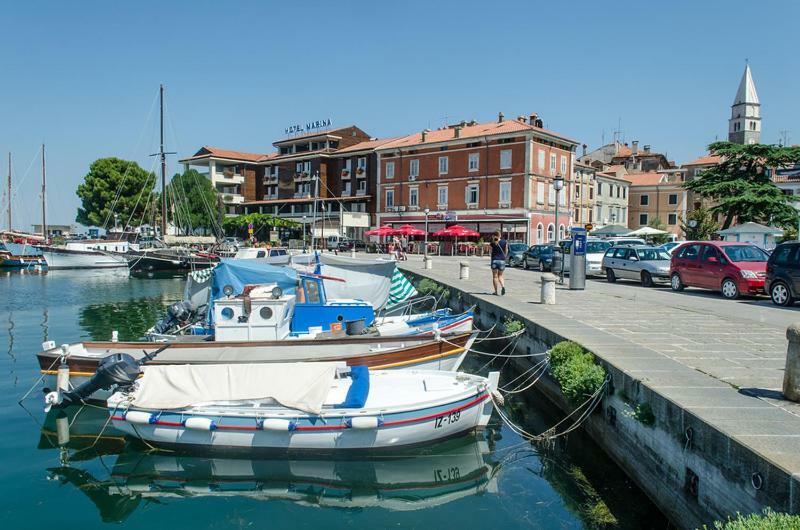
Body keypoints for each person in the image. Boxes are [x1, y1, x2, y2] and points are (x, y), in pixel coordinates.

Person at [489, 230, 508, 295]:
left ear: (494, 235)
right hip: (502, 261)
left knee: (495, 276)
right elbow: (506, 250)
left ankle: (496, 291)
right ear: (500, 235)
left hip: (494, 260)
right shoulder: (504, 242)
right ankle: (503, 286)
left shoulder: (492, 243)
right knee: (500, 276)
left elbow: (490, 251)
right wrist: (504, 257)